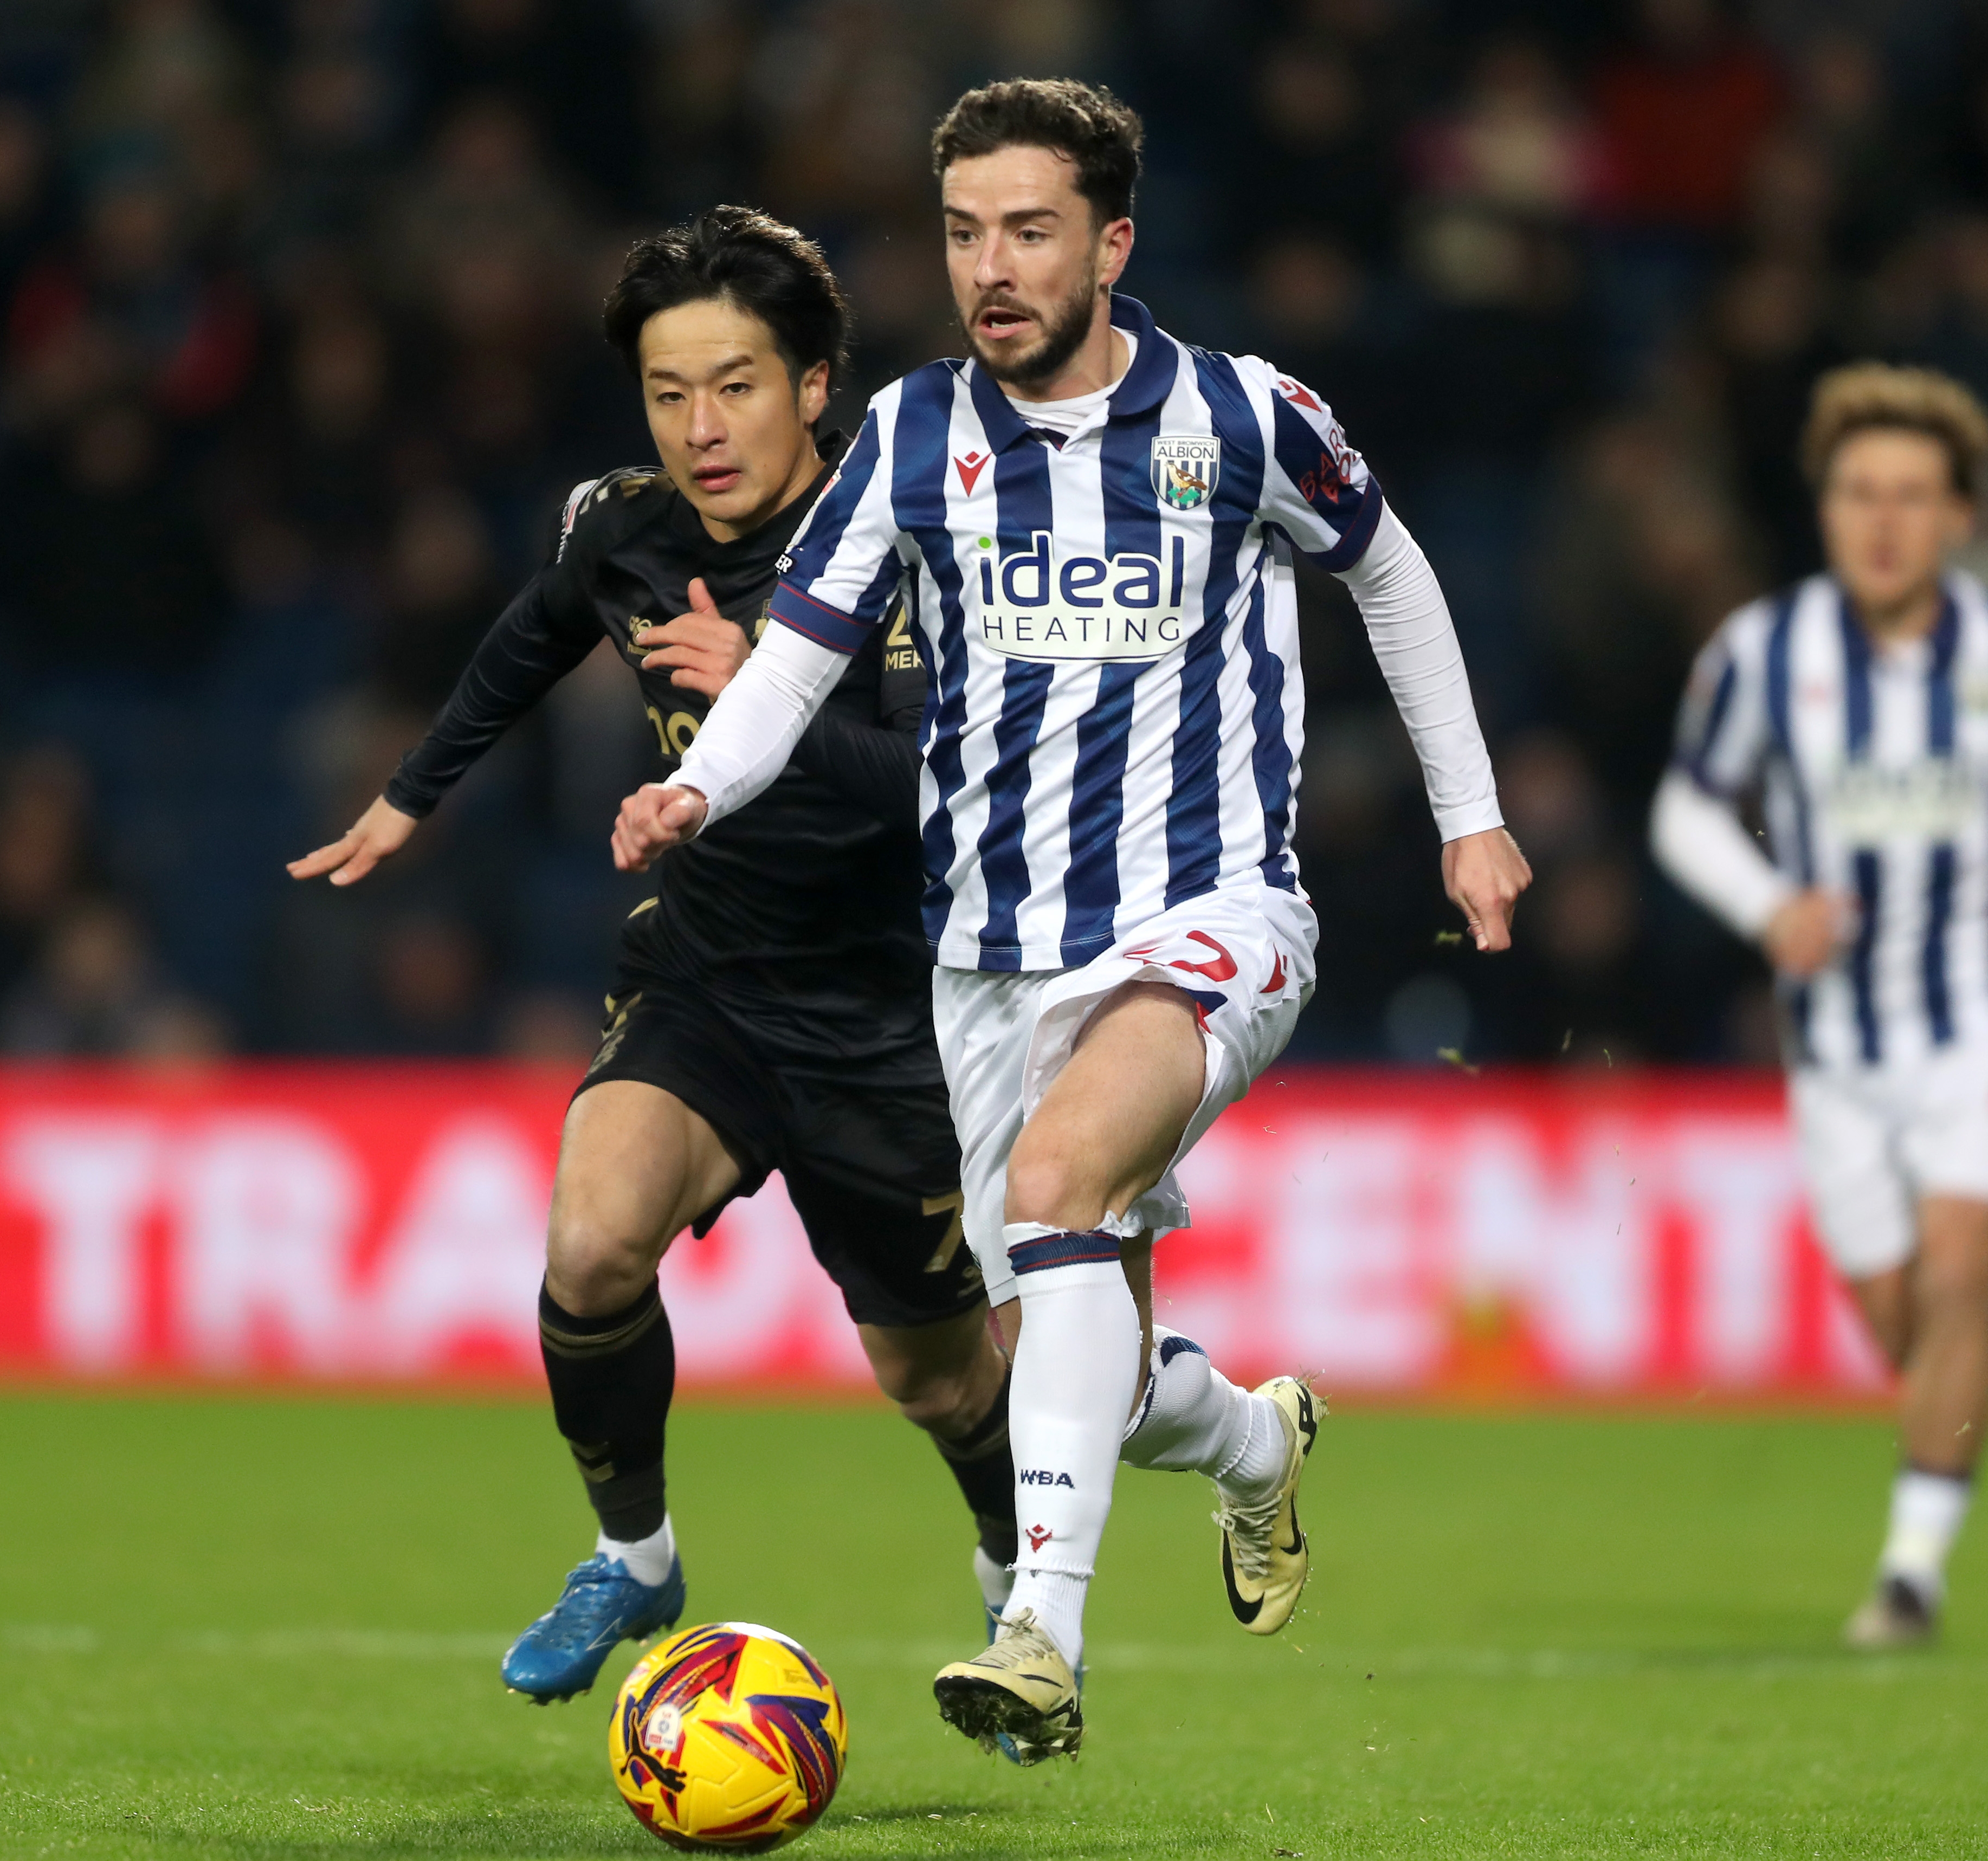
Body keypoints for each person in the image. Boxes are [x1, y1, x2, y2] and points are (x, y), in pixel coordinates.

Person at [612, 81, 1529, 1760]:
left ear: (1109, 242)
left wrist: (1468, 815)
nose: (991, 265)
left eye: (1028, 229)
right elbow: (800, 651)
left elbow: (1388, 574)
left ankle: (1038, 1634)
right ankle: (1251, 1441)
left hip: (1209, 914)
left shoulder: (1241, 419)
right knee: (1061, 1359)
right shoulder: (906, 435)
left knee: (1055, 1191)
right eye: (962, 232)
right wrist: (699, 789)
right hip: (986, 953)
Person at [290, 207, 1017, 1705]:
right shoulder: (625, 529)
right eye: (668, 392)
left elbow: (949, 783)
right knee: (591, 1240)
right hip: (704, 981)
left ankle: (1018, 1580)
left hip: (892, 1020)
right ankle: (634, 1558)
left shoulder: (915, 543)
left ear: (815, 385)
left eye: (736, 385)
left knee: (938, 1380)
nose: (701, 428)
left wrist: (768, 691)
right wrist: (410, 796)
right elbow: (529, 638)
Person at [1651, 363, 1988, 1649]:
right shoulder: (1765, 653)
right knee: (1913, 1323)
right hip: (1835, 1050)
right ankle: (1973, 1359)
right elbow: (1686, 807)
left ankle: (1909, 1575)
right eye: (1859, 493)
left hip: (1982, 1019)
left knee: (1963, 1261)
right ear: (1825, 508)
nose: (1882, 521)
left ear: (1960, 515)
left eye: (1911, 496)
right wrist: (1771, 906)